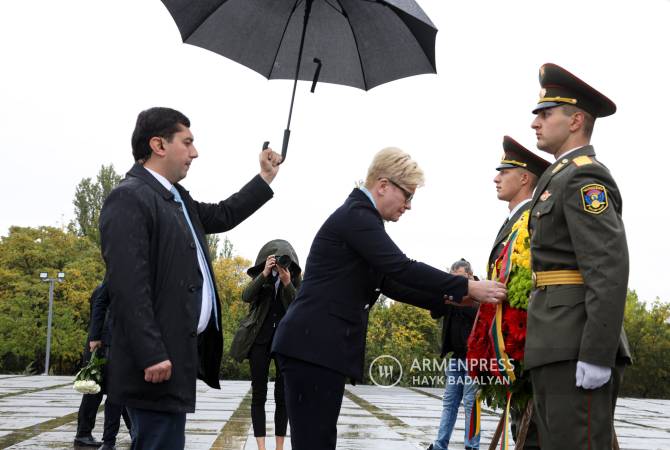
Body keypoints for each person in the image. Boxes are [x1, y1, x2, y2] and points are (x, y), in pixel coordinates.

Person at [271, 147, 507, 450]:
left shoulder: (361, 218)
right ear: (383, 186)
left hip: (317, 347)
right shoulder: (357, 217)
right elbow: (401, 267)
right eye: (407, 195)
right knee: (314, 442)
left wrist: (450, 299)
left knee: (318, 441)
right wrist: (467, 287)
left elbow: (391, 283)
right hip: (313, 346)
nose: (408, 206)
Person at [99, 107, 282, 450]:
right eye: (187, 142)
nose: (195, 152)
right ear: (158, 144)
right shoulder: (129, 197)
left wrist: (265, 177)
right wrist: (151, 352)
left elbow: (225, 214)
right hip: (154, 364)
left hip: (176, 357)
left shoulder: (176, 198)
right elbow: (127, 287)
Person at [526, 63, 631, 450]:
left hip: (575, 343)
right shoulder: (559, 176)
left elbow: (608, 268)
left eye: (546, 113)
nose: (535, 122)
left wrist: (597, 353)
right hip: (555, 339)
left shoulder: (586, 178)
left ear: (576, 120)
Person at [489, 136, 549, 450]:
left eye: (504, 171)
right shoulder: (516, 221)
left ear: (524, 178)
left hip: (530, 343)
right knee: (522, 431)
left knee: (534, 436)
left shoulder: (532, 221)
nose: (496, 177)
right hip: (513, 346)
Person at [229, 240, 302, 450]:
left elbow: (300, 307)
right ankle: (261, 447)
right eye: (276, 260)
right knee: (258, 393)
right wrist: (264, 274)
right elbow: (246, 296)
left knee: (283, 396)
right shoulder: (263, 278)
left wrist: (287, 283)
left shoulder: (295, 279)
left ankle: (279, 447)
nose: (280, 264)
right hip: (259, 341)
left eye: (283, 261)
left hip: (284, 343)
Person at [428, 259, 480, 450]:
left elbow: (477, 312)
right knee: (449, 404)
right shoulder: (450, 292)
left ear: (469, 275)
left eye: (460, 279)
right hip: (456, 357)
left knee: (470, 403)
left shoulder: (478, 293)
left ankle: (472, 446)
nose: (457, 282)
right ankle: (439, 445)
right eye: (453, 278)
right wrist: (440, 293)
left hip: (475, 358)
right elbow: (434, 313)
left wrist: (456, 297)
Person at [75, 281, 132, 450]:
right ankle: (83, 434)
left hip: (102, 347)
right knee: (97, 393)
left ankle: (85, 433)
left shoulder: (102, 287)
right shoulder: (107, 288)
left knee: (112, 393)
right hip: (103, 349)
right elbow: (103, 319)